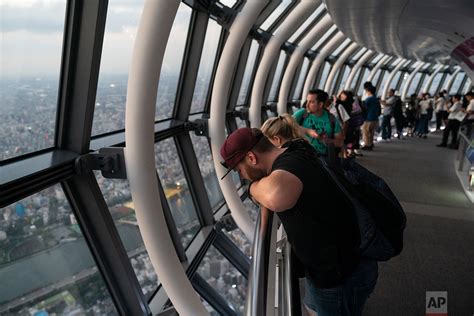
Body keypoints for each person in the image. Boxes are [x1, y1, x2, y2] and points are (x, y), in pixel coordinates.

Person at [220, 127, 378, 316]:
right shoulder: (296, 150)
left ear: (252, 158)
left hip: (340, 277)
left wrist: (252, 188)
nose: (242, 176)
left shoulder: (291, 166)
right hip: (348, 264)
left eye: (239, 170)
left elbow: (274, 196)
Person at [293, 89, 344, 157]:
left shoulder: (331, 119)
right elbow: (286, 124)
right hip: (303, 155)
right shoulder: (303, 113)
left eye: (311, 102)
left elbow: (340, 142)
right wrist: (307, 131)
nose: (307, 105)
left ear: (320, 104)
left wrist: (326, 140)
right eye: (307, 101)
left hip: (322, 157)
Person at [361, 85, 381, 150]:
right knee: (371, 132)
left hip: (369, 118)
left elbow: (364, 107)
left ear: (369, 91)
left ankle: (367, 145)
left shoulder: (369, 99)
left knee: (365, 131)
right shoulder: (376, 99)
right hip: (375, 117)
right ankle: (371, 144)